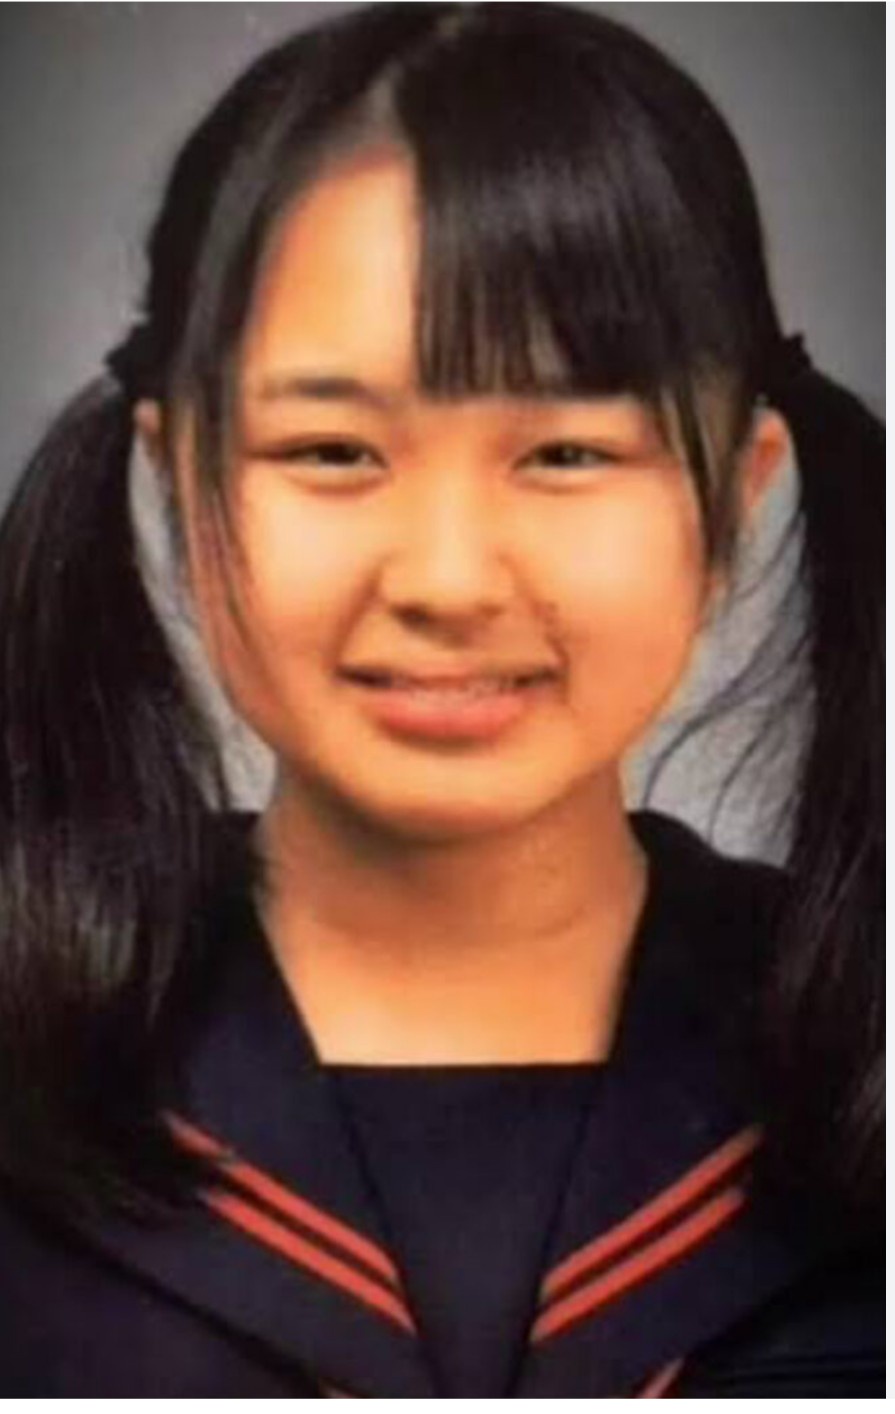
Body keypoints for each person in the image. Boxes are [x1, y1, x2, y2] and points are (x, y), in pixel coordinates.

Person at [0, 2, 882, 1397]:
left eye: (568, 454)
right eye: (333, 450)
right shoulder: (34, 1070)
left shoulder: (858, 1061)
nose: (450, 578)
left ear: (736, 493)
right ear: (173, 475)